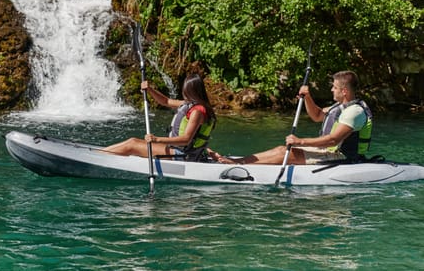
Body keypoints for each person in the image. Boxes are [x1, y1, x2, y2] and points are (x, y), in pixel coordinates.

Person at [212, 70, 373, 165]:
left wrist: (300, 141)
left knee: (285, 154)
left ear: (344, 91)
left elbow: (333, 140)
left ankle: (239, 164)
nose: (331, 89)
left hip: (340, 156)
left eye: (335, 87)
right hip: (327, 150)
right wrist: (307, 97)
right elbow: (317, 116)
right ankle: (240, 161)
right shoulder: (339, 107)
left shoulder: (354, 112)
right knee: (281, 149)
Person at [103, 74, 216, 161]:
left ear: (191, 91)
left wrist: (156, 139)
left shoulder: (197, 111)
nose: (183, 92)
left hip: (182, 155)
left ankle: (98, 157)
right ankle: (100, 153)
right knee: (133, 141)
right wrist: (150, 90)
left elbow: (186, 140)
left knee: (132, 145)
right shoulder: (190, 105)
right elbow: (165, 101)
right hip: (178, 151)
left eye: (185, 89)